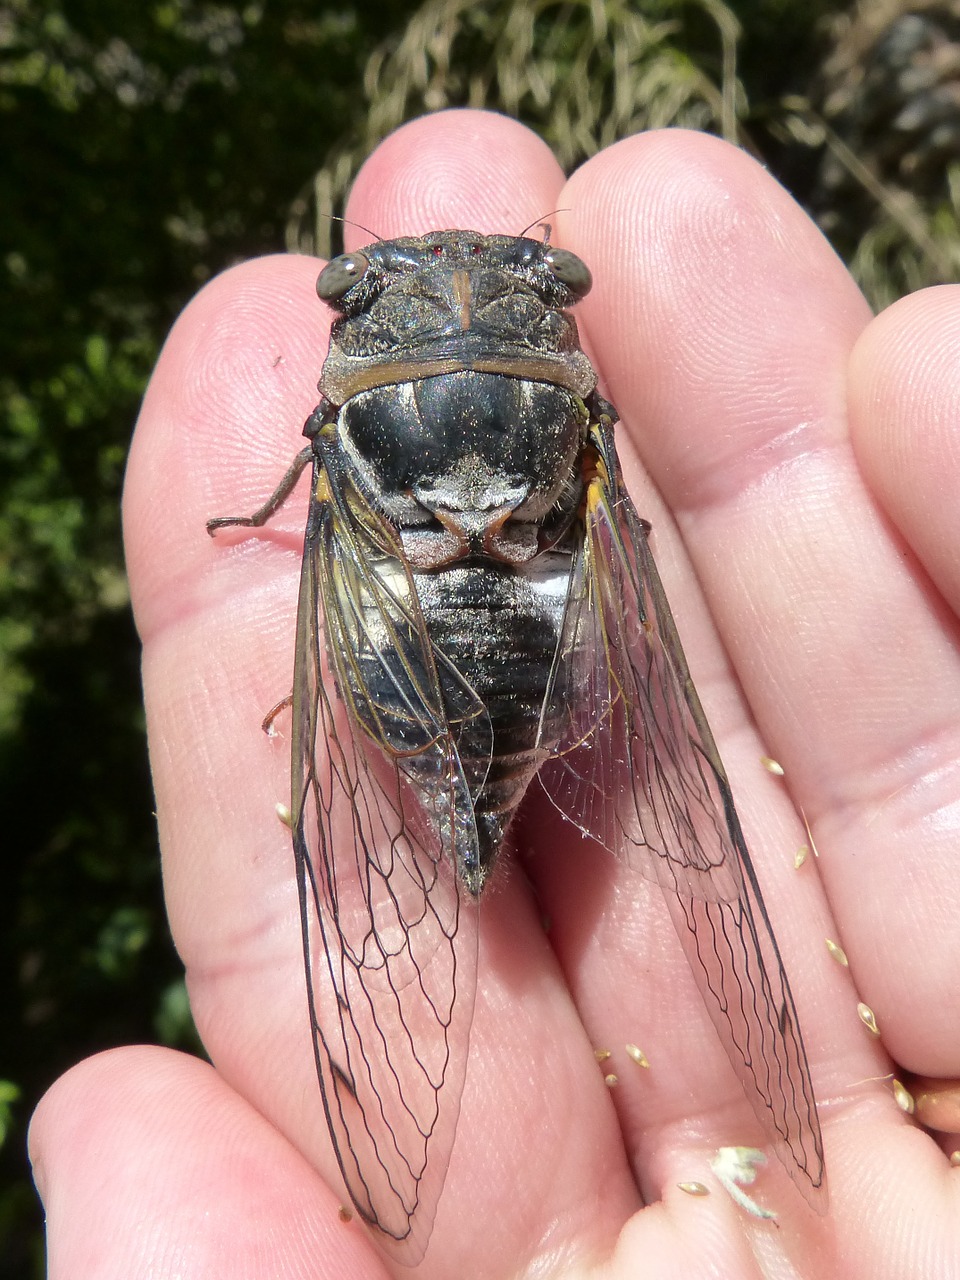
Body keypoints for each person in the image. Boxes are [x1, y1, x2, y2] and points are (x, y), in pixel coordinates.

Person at [29, 109, 960, 1278]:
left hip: (398, 666)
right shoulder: (573, 409)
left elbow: (307, 499)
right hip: (542, 657)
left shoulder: (346, 414)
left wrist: (319, 660)